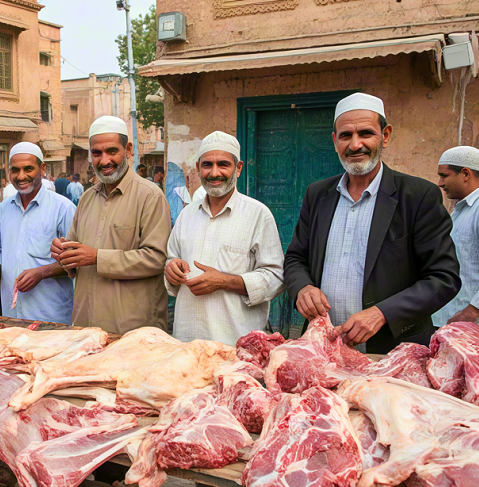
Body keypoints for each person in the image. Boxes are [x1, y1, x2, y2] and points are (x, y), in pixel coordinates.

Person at [284, 92, 460, 353]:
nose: (355, 145)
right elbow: (296, 257)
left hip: (393, 352)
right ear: (335, 141)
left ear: (385, 135)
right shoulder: (318, 194)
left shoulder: (417, 196)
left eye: (366, 133)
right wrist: (303, 288)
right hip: (325, 347)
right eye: (346, 136)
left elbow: (443, 277)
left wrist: (382, 313)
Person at [51, 115, 171, 334]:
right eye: (97, 153)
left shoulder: (150, 196)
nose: (104, 160)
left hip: (132, 329)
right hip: (85, 326)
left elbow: (157, 259)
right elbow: (76, 253)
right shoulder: (87, 199)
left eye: (112, 151)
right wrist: (63, 253)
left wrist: (97, 257)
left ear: (128, 149)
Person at [165, 132, 284, 345]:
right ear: (198, 167)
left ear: (238, 168)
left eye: (223, 164)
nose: (214, 173)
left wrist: (225, 281)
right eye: (207, 165)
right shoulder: (187, 214)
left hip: (236, 345)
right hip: (186, 342)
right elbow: (171, 260)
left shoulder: (258, 214)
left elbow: (276, 278)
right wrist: (172, 269)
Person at [0, 143, 76, 323]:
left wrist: (42, 272)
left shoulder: (63, 209)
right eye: (15, 170)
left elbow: (76, 262)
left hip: (49, 316)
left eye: (28, 169)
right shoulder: (3, 209)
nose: (21, 176)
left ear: (42, 169)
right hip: (11, 314)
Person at [433, 146, 479, 325]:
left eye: (444, 175)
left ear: (466, 174)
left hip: (469, 327)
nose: (440, 183)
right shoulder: (461, 209)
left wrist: (472, 310)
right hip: (452, 321)